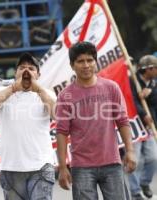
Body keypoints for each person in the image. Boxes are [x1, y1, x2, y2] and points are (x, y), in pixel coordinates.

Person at [55, 41, 136, 200]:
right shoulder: (65, 96)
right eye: (80, 61)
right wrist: (63, 167)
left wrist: (130, 151)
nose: (86, 65)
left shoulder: (111, 87)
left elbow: (122, 121)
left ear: (95, 62)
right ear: (72, 65)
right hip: (81, 167)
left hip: (112, 162)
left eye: (90, 60)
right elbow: (61, 132)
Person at [0, 53, 56, 200]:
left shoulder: (47, 94)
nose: (26, 71)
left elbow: (58, 114)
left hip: (41, 167)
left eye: (31, 68)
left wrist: (39, 90)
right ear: (15, 73)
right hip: (11, 168)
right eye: (22, 68)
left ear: (38, 74)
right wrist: (13, 88)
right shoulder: (3, 92)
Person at [128, 55, 157, 200]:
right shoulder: (132, 80)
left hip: (150, 126)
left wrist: (151, 93)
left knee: (153, 157)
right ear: (150, 69)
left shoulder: (154, 83)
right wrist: (143, 113)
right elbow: (131, 101)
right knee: (135, 160)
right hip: (134, 125)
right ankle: (135, 191)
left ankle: (144, 182)